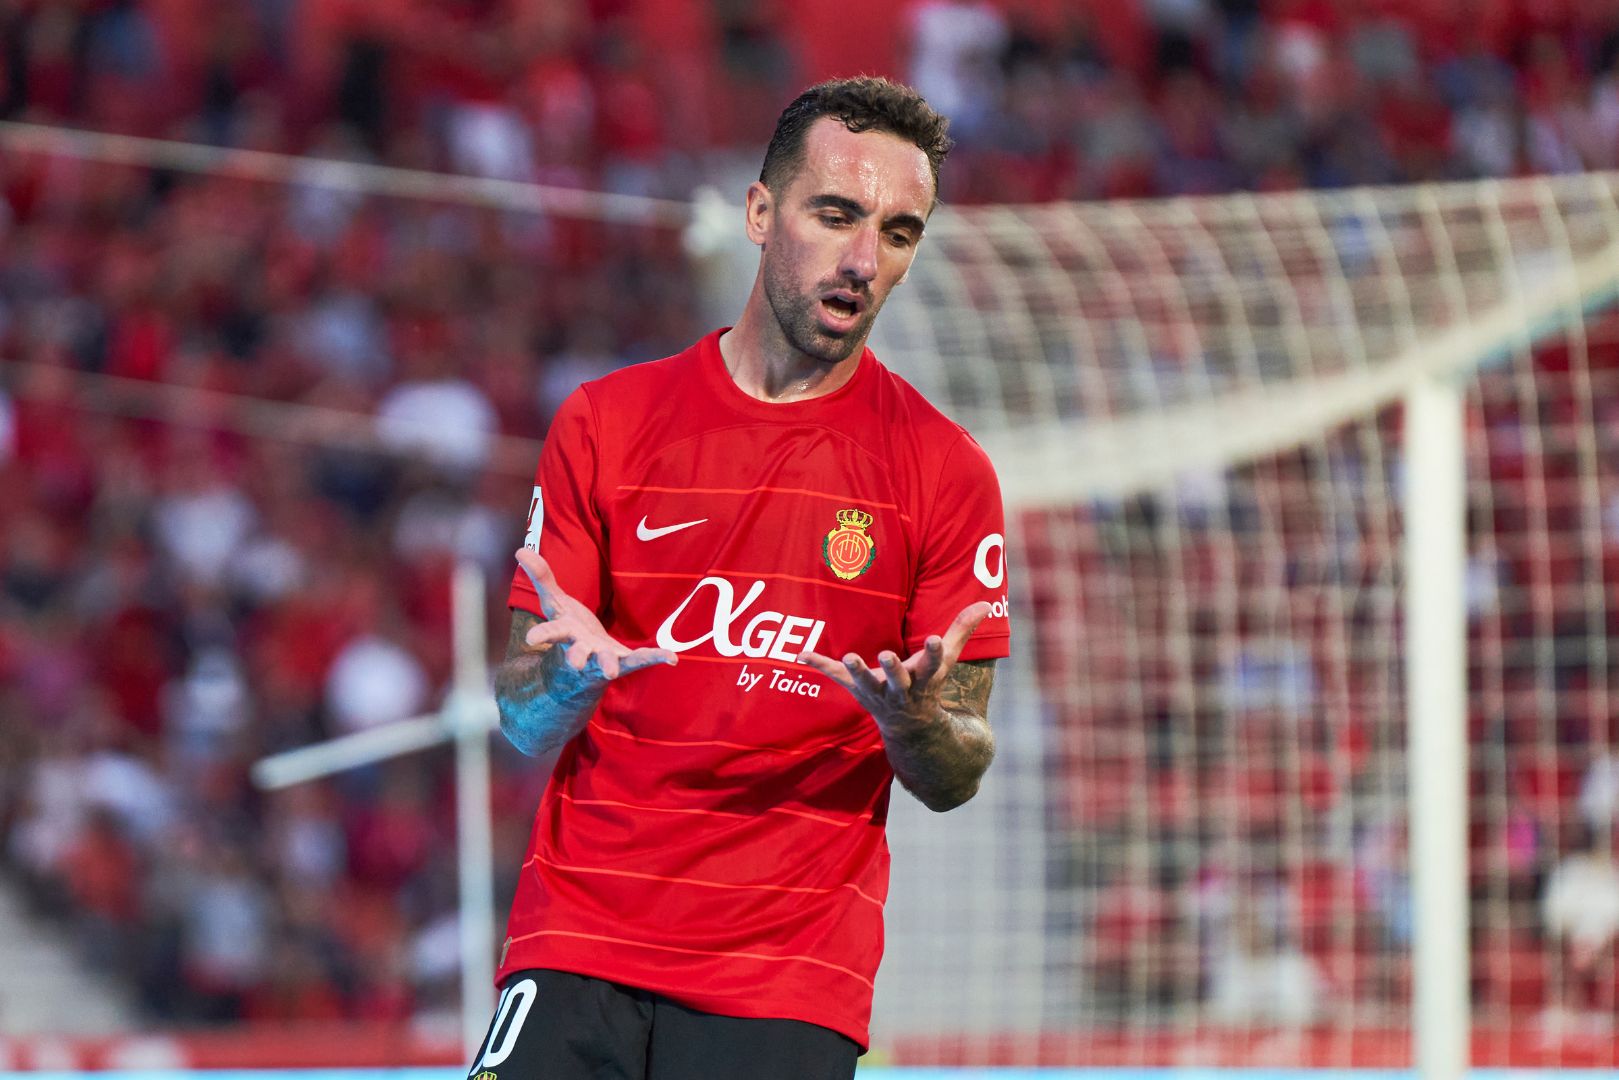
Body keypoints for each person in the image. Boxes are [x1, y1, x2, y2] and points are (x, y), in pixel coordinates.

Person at [470, 76, 1011, 1080]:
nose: (862, 259)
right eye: (835, 215)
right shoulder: (606, 424)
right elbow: (522, 716)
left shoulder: (943, 473)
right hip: (580, 935)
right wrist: (568, 681)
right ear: (761, 215)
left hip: (784, 977)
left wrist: (914, 724)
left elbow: (959, 766)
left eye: (897, 232)